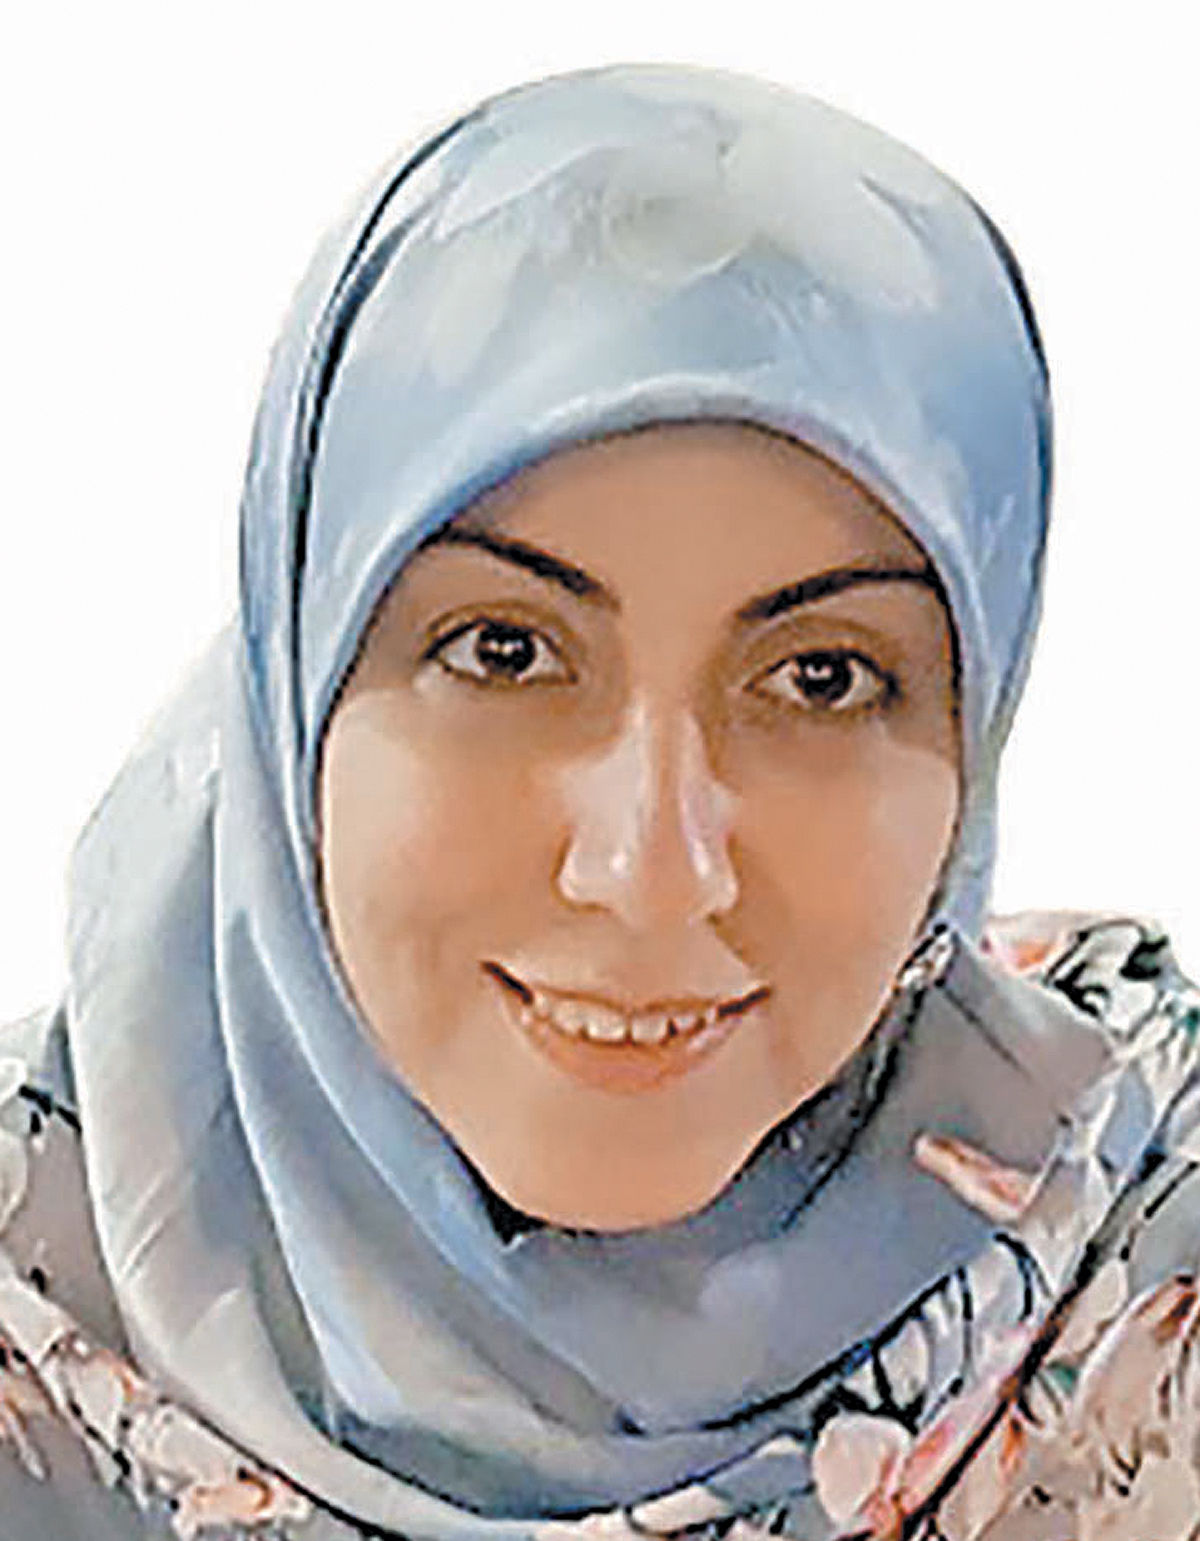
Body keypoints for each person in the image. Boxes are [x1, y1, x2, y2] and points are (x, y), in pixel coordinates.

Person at [1, 60, 1198, 1541]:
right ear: (295, 675)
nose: (650, 868)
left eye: (823, 677)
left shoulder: (1125, 1261)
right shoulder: (36, 1291)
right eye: (505, 651)